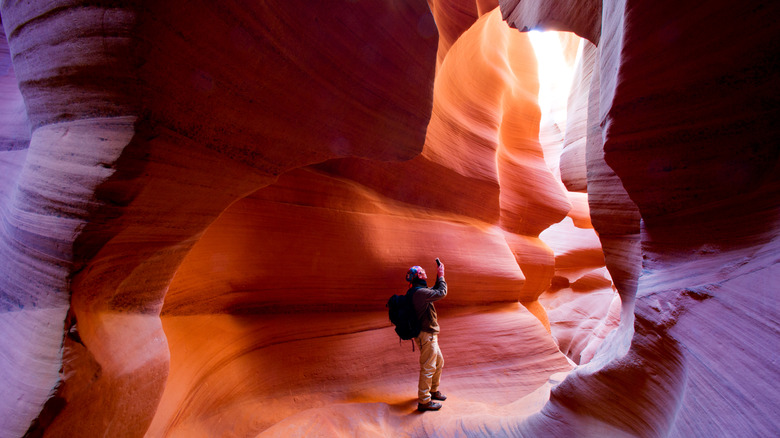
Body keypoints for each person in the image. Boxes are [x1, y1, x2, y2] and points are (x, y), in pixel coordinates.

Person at [406, 259, 447, 412]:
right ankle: (424, 401)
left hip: (428, 334)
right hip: (426, 335)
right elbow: (441, 292)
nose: (425, 273)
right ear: (418, 276)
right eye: (422, 272)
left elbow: (434, 290)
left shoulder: (417, 291)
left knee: (438, 362)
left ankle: (433, 391)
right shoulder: (420, 293)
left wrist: (438, 276)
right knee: (428, 366)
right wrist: (442, 275)